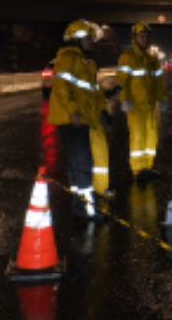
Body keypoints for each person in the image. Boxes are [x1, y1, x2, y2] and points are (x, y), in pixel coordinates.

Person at [48, 20, 114, 220]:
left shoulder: (87, 62)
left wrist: (103, 111)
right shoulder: (68, 57)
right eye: (87, 37)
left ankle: (79, 206)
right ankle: (88, 210)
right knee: (83, 164)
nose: (90, 41)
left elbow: (93, 93)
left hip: (83, 119)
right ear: (75, 38)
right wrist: (73, 111)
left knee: (77, 166)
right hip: (72, 120)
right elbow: (60, 87)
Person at [117, 23, 167, 180]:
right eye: (141, 36)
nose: (144, 39)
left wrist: (162, 98)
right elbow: (122, 82)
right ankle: (137, 168)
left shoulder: (152, 59)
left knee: (151, 137)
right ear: (135, 38)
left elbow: (158, 81)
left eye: (146, 36)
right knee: (137, 136)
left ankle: (147, 167)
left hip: (150, 106)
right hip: (135, 106)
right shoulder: (128, 58)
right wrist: (124, 99)